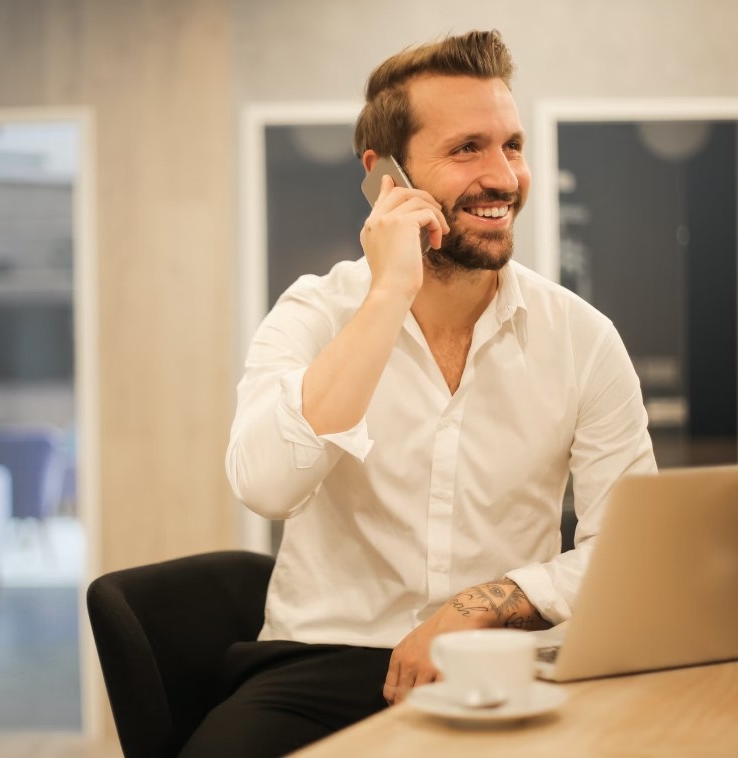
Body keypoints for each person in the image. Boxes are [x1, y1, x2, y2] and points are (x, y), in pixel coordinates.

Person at [189, 29, 656, 757]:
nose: (503, 176)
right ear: (386, 178)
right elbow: (266, 487)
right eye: (467, 148)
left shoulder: (583, 340)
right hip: (321, 663)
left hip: (506, 661)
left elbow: (628, 552)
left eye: (512, 146)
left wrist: (479, 607)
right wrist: (389, 294)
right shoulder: (314, 313)